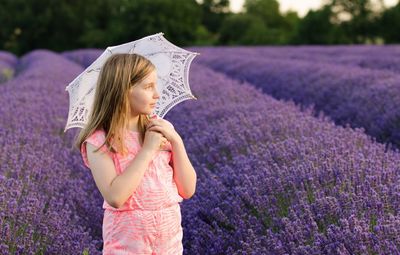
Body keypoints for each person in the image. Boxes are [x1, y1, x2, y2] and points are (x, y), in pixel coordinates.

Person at [74, 53, 197, 254]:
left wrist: (177, 141)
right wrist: (147, 150)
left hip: (170, 242)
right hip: (128, 245)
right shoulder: (100, 140)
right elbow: (115, 196)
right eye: (148, 87)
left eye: (155, 85)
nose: (156, 94)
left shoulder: (160, 128)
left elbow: (188, 189)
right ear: (123, 91)